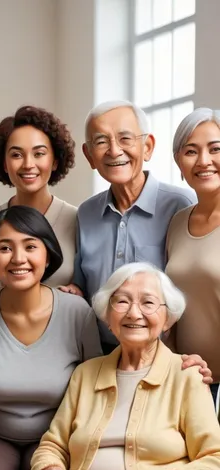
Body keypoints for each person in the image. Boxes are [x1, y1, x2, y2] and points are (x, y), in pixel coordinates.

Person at [31, 263, 220, 470]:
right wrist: (52, 469)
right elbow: (52, 444)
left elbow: (215, 456)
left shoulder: (186, 375)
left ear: (168, 320)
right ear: (108, 318)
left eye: (148, 303)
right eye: (121, 302)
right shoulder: (86, 373)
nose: (133, 313)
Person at [0, 205, 102, 470]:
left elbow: (95, 388)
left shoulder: (78, 313)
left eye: (30, 247)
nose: (18, 258)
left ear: (48, 255)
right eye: (4, 248)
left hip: (56, 435)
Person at [66, 100, 196, 353]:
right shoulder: (86, 213)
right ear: (89, 155)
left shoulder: (182, 205)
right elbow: (81, 287)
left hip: (165, 358)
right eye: (101, 141)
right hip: (100, 356)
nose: (114, 151)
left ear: (147, 147)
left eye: (125, 138)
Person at [0, 106, 77, 287]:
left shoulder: (78, 222)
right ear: (4, 163)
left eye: (39, 153)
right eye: (16, 154)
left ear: (55, 160)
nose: (28, 164)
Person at [166, 108, 220, 394]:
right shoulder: (177, 222)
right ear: (179, 161)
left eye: (215, 149)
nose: (204, 161)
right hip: (188, 376)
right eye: (191, 151)